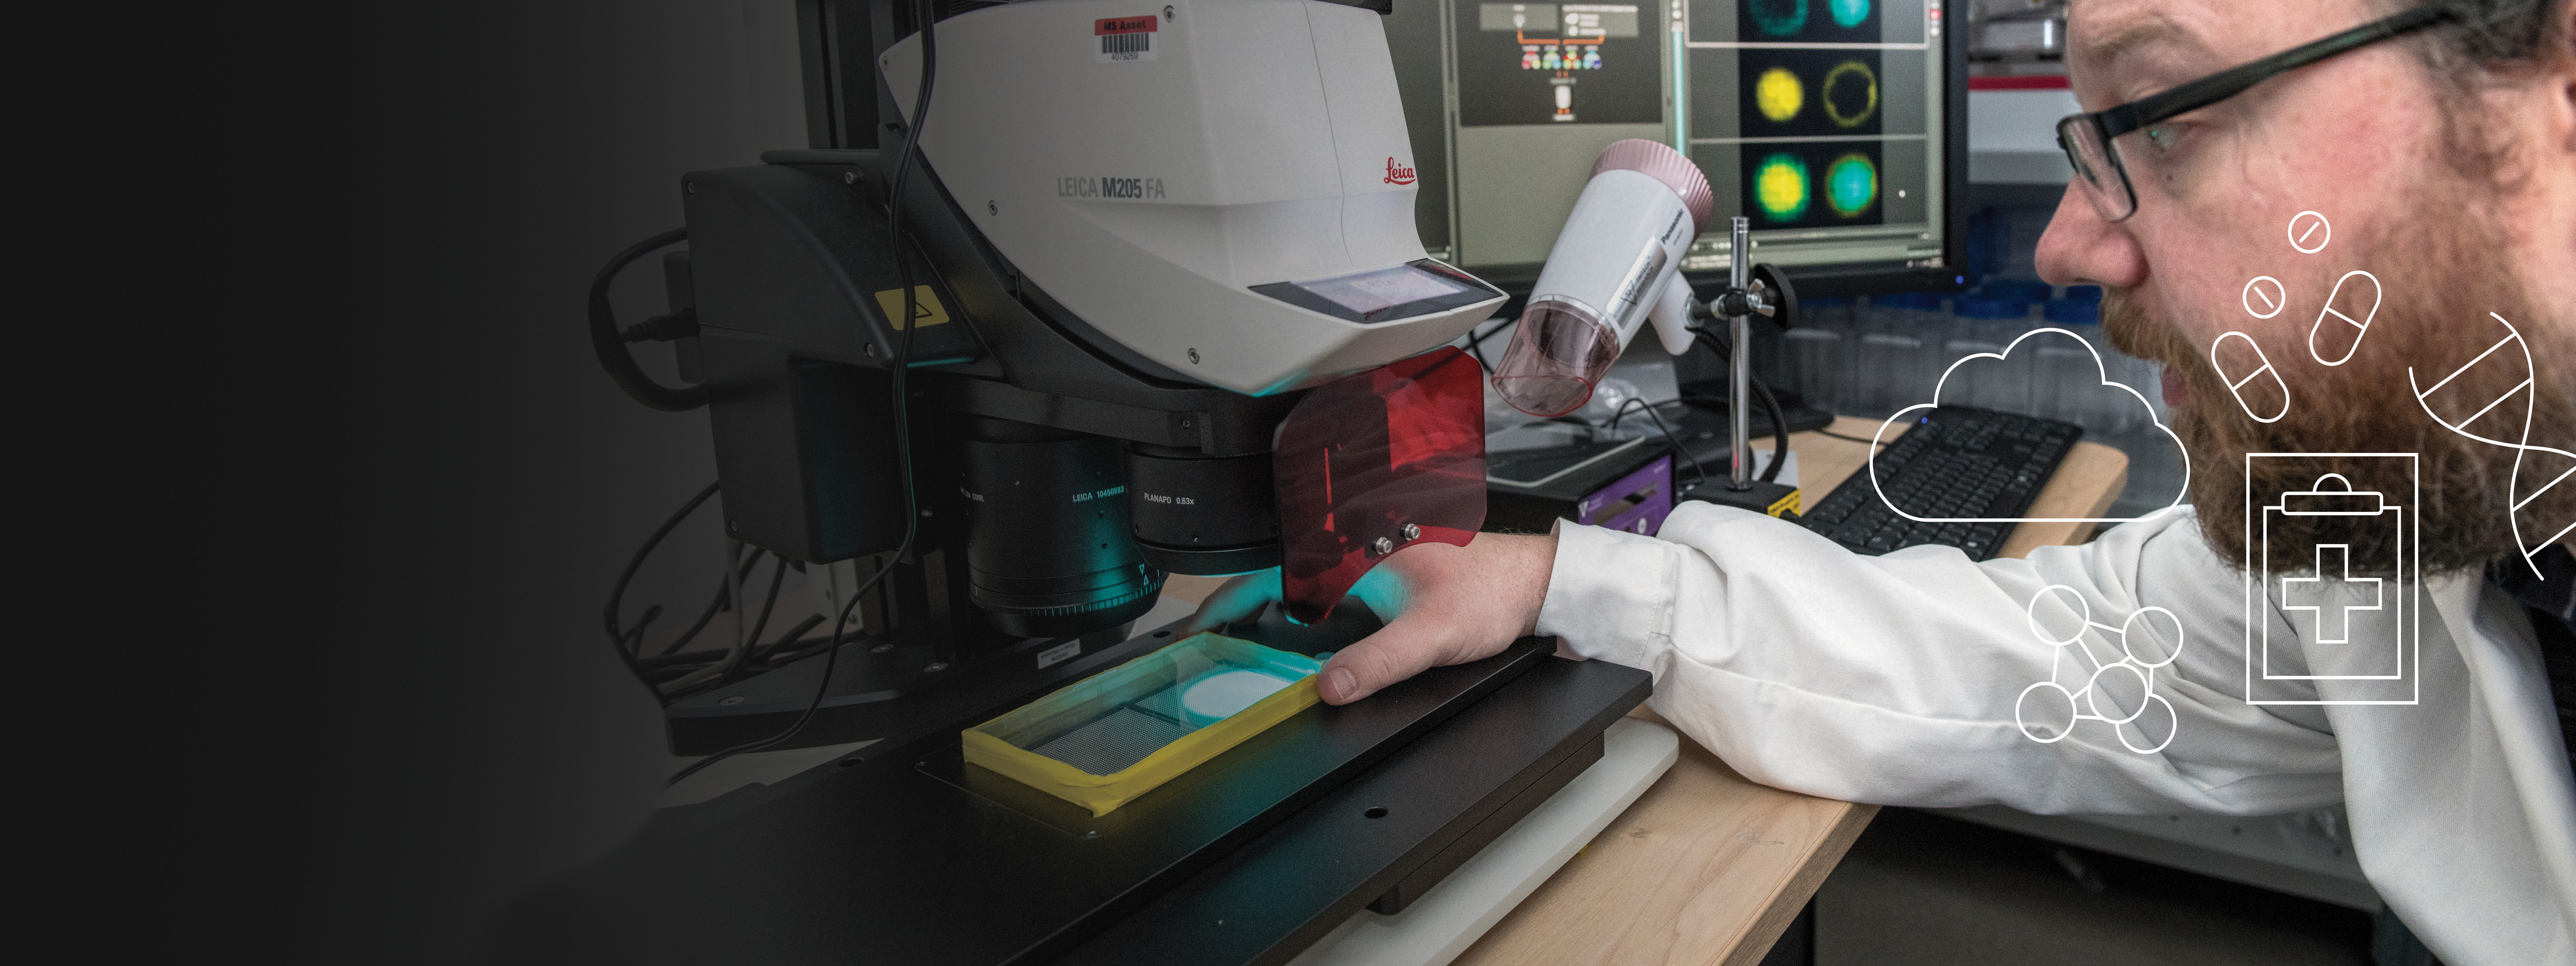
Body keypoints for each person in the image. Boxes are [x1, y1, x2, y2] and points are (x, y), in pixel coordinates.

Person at [1189, 1, 2576, 961]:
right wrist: (1564, 578)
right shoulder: (2406, 513)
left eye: (2163, 117)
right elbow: (2085, 655)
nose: (2063, 246)